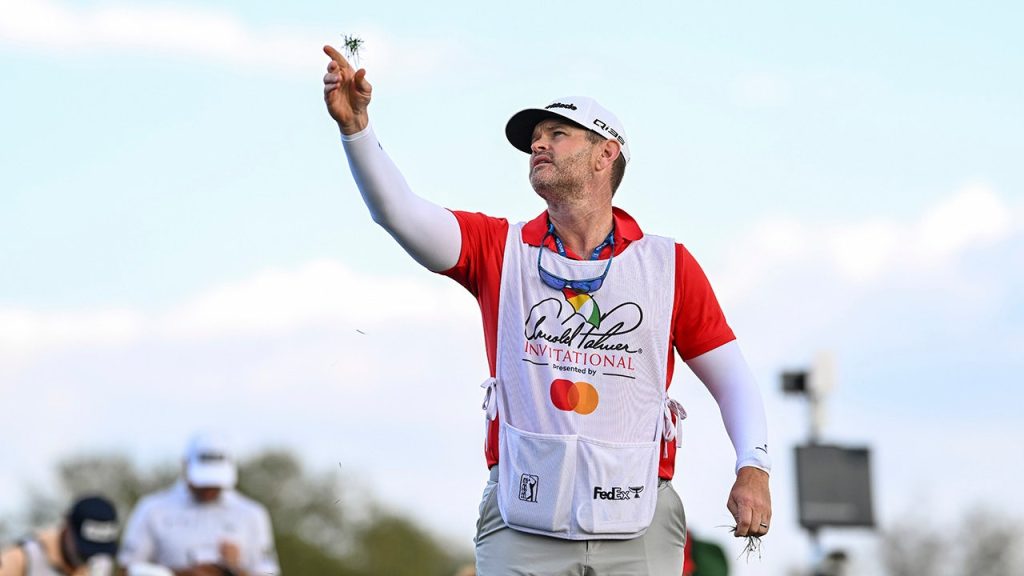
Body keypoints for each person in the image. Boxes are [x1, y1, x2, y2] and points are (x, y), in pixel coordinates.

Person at [322, 44, 772, 575]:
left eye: (557, 134)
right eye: (535, 137)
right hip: (521, 519)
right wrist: (356, 130)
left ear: (606, 153)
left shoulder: (668, 265)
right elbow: (399, 213)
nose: (538, 143)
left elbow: (731, 377)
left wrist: (754, 466)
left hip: (639, 522)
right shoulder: (499, 247)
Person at [117, 433, 279, 576]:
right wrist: (181, 574)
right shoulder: (152, 509)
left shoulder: (252, 513)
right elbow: (125, 571)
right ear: (185, 466)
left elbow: (270, 572)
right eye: (203, 482)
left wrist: (236, 570)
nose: (208, 489)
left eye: (215, 483)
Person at [0, 495, 119, 576]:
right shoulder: (23, 557)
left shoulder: (101, 564)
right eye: (84, 550)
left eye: (97, 550)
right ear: (67, 527)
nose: (88, 558)